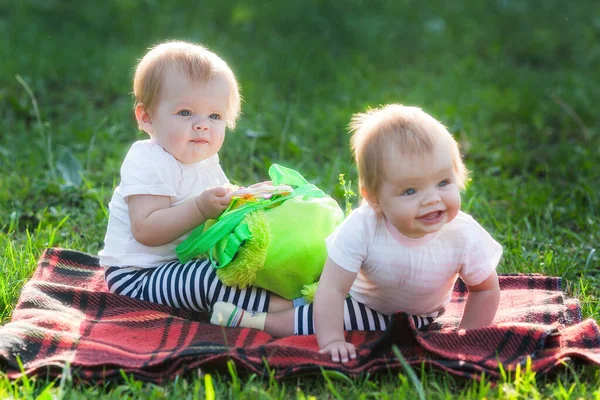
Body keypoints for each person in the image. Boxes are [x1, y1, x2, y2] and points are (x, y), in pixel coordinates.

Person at [211, 104, 502, 362]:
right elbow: (332, 289)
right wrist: (333, 341)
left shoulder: (462, 234)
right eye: (410, 190)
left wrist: (466, 339)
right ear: (374, 198)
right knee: (312, 317)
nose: (432, 199)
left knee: (388, 322)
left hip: (425, 315)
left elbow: (485, 288)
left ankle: (270, 310)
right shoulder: (364, 227)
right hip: (363, 301)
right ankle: (255, 319)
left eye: (443, 182)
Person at [99, 41, 292, 318]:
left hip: (177, 267)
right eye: (186, 113)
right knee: (212, 277)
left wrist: (246, 197)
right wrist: (200, 208)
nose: (202, 124)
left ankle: (279, 292)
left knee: (246, 258)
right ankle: (281, 310)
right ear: (147, 117)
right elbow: (145, 229)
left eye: (214, 116)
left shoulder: (203, 159)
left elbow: (220, 205)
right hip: (138, 277)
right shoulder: (150, 161)